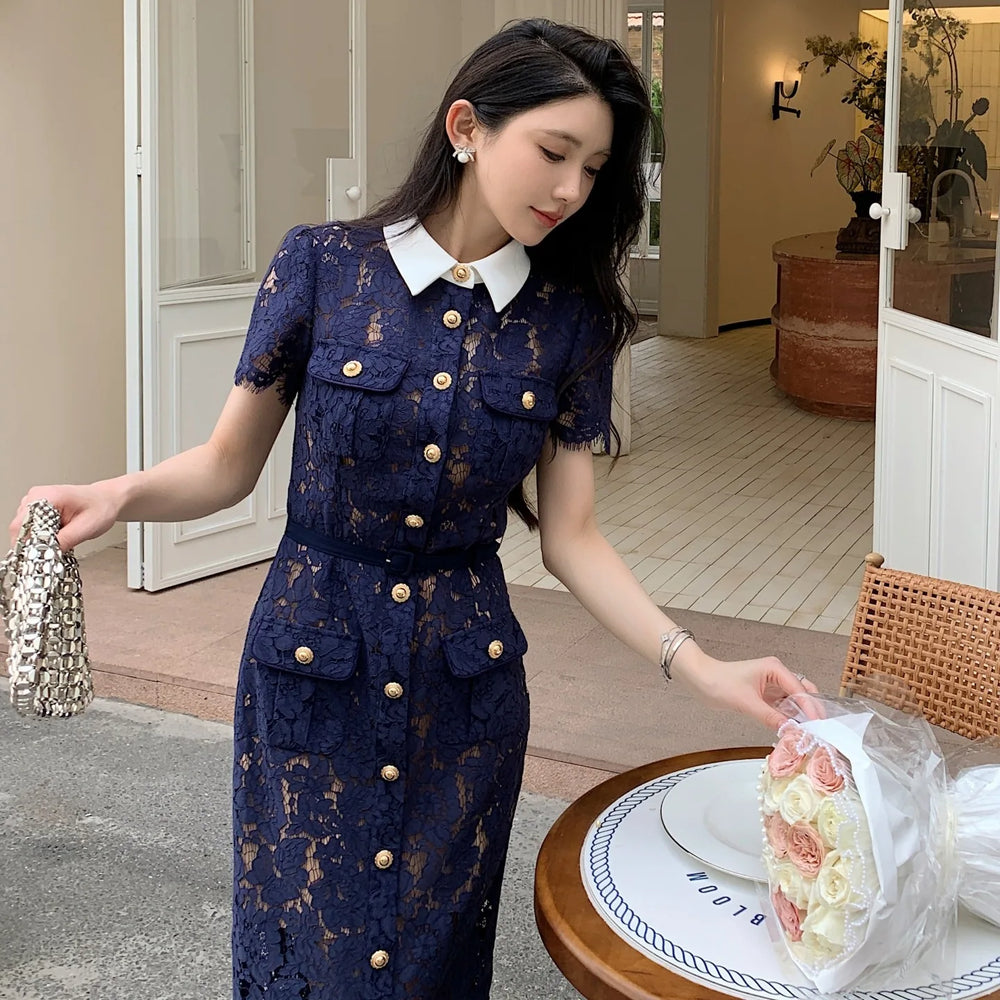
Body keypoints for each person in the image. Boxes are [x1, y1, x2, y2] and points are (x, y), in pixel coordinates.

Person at [9, 18, 816, 1000]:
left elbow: (571, 538)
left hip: (463, 696)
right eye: (552, 152)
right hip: (311, 674)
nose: (569, 190)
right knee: (308, 955)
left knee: (432, 966)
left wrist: (702, 667)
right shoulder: (321, 264)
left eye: (593, 168)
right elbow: (228, 464)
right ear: (467, 126)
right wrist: (119, 493)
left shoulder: (576, 325)